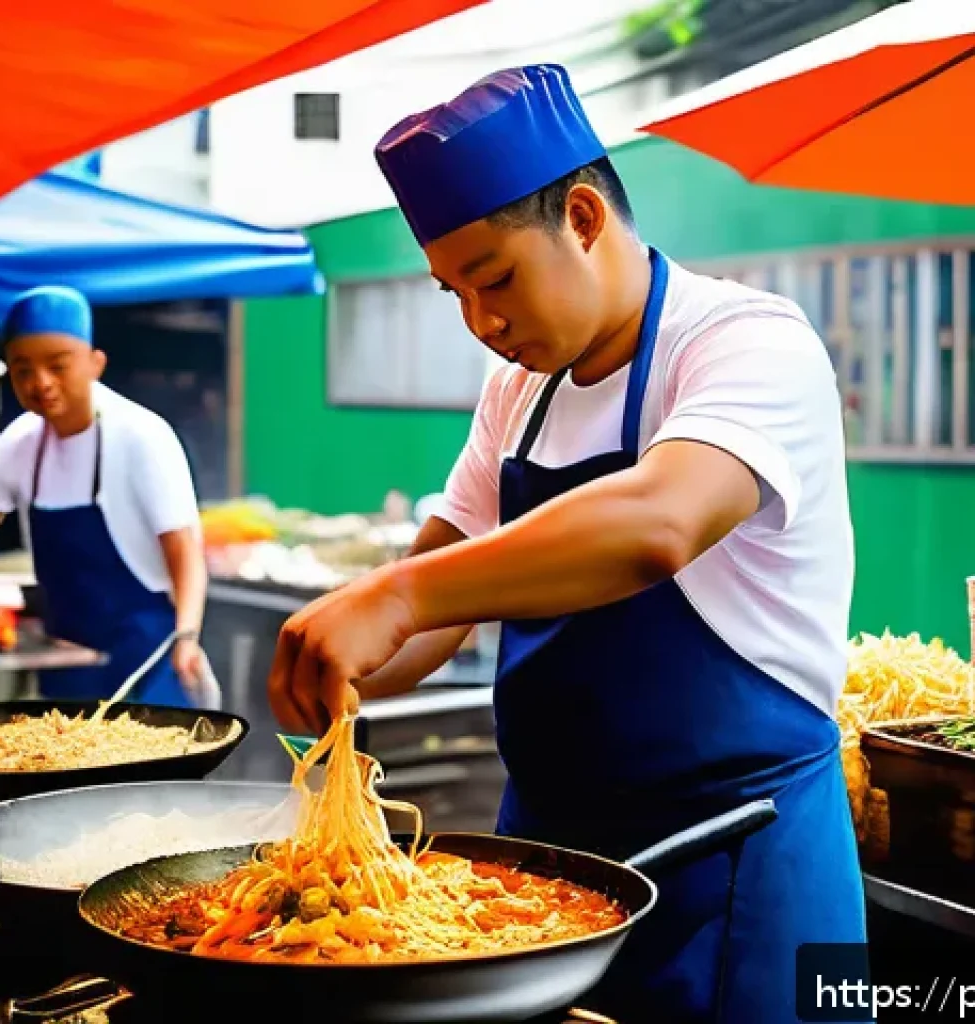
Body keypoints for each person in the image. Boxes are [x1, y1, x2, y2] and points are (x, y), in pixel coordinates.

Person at [267, 64, 867, 1022]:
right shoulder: (518, 393)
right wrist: (351, 659)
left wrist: (398, 598)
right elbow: (436, 599)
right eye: (452, 292)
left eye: (495, 279)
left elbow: (657, 522)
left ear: (583, 219)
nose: (482, 323)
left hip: (740, 863)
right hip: (546, 874)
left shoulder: (746, 342)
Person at [0, 285, 215, 708]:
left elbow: (186, 556)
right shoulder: (16, 446)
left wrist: (187, 636)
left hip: (146, 660)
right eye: (23, 370)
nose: (41, 383)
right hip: (67, 665)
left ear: (95, 363)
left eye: (58, 366)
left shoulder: (141, 437)